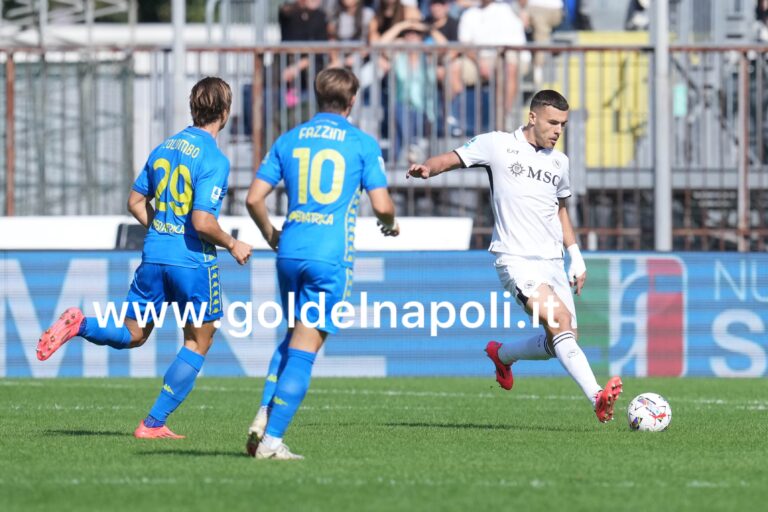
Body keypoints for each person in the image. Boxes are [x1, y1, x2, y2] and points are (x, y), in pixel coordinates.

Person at [36, 77, 253, 438]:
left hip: (154, 255)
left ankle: (80, 325)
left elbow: (135, 202)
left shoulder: (163, 148)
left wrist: (164, 227)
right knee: (199, 340)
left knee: (133, 333)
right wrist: (232, 244)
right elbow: (201, 221)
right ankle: (153, 423)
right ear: (226, 113)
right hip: (191, 261)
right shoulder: (214, 159)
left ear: (192, 108)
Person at [406, 89, 623, 423]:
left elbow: (560, 211)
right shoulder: (497, 144)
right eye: (553, 122)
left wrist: (575, 256)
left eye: (563, 124)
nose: (558, 130)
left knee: (561, 341)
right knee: (560, 321)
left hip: (553, 261)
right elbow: (449, 159)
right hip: (515, 259)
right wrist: (427, 168)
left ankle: (502, 354)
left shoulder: (559, 162)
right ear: (532, 117)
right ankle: (597, 396)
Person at [245, 67, 400, 460]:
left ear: (317, 98)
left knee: (294, 334)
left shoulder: (289, 139)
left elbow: (253, 199)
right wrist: (390, 224)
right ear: (352, 101)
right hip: (329, 257)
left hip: (290, 250)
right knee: (306, 349)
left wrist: (269, 234)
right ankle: (272, 442)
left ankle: (266, 409)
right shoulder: (361, 143)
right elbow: (381, 205)